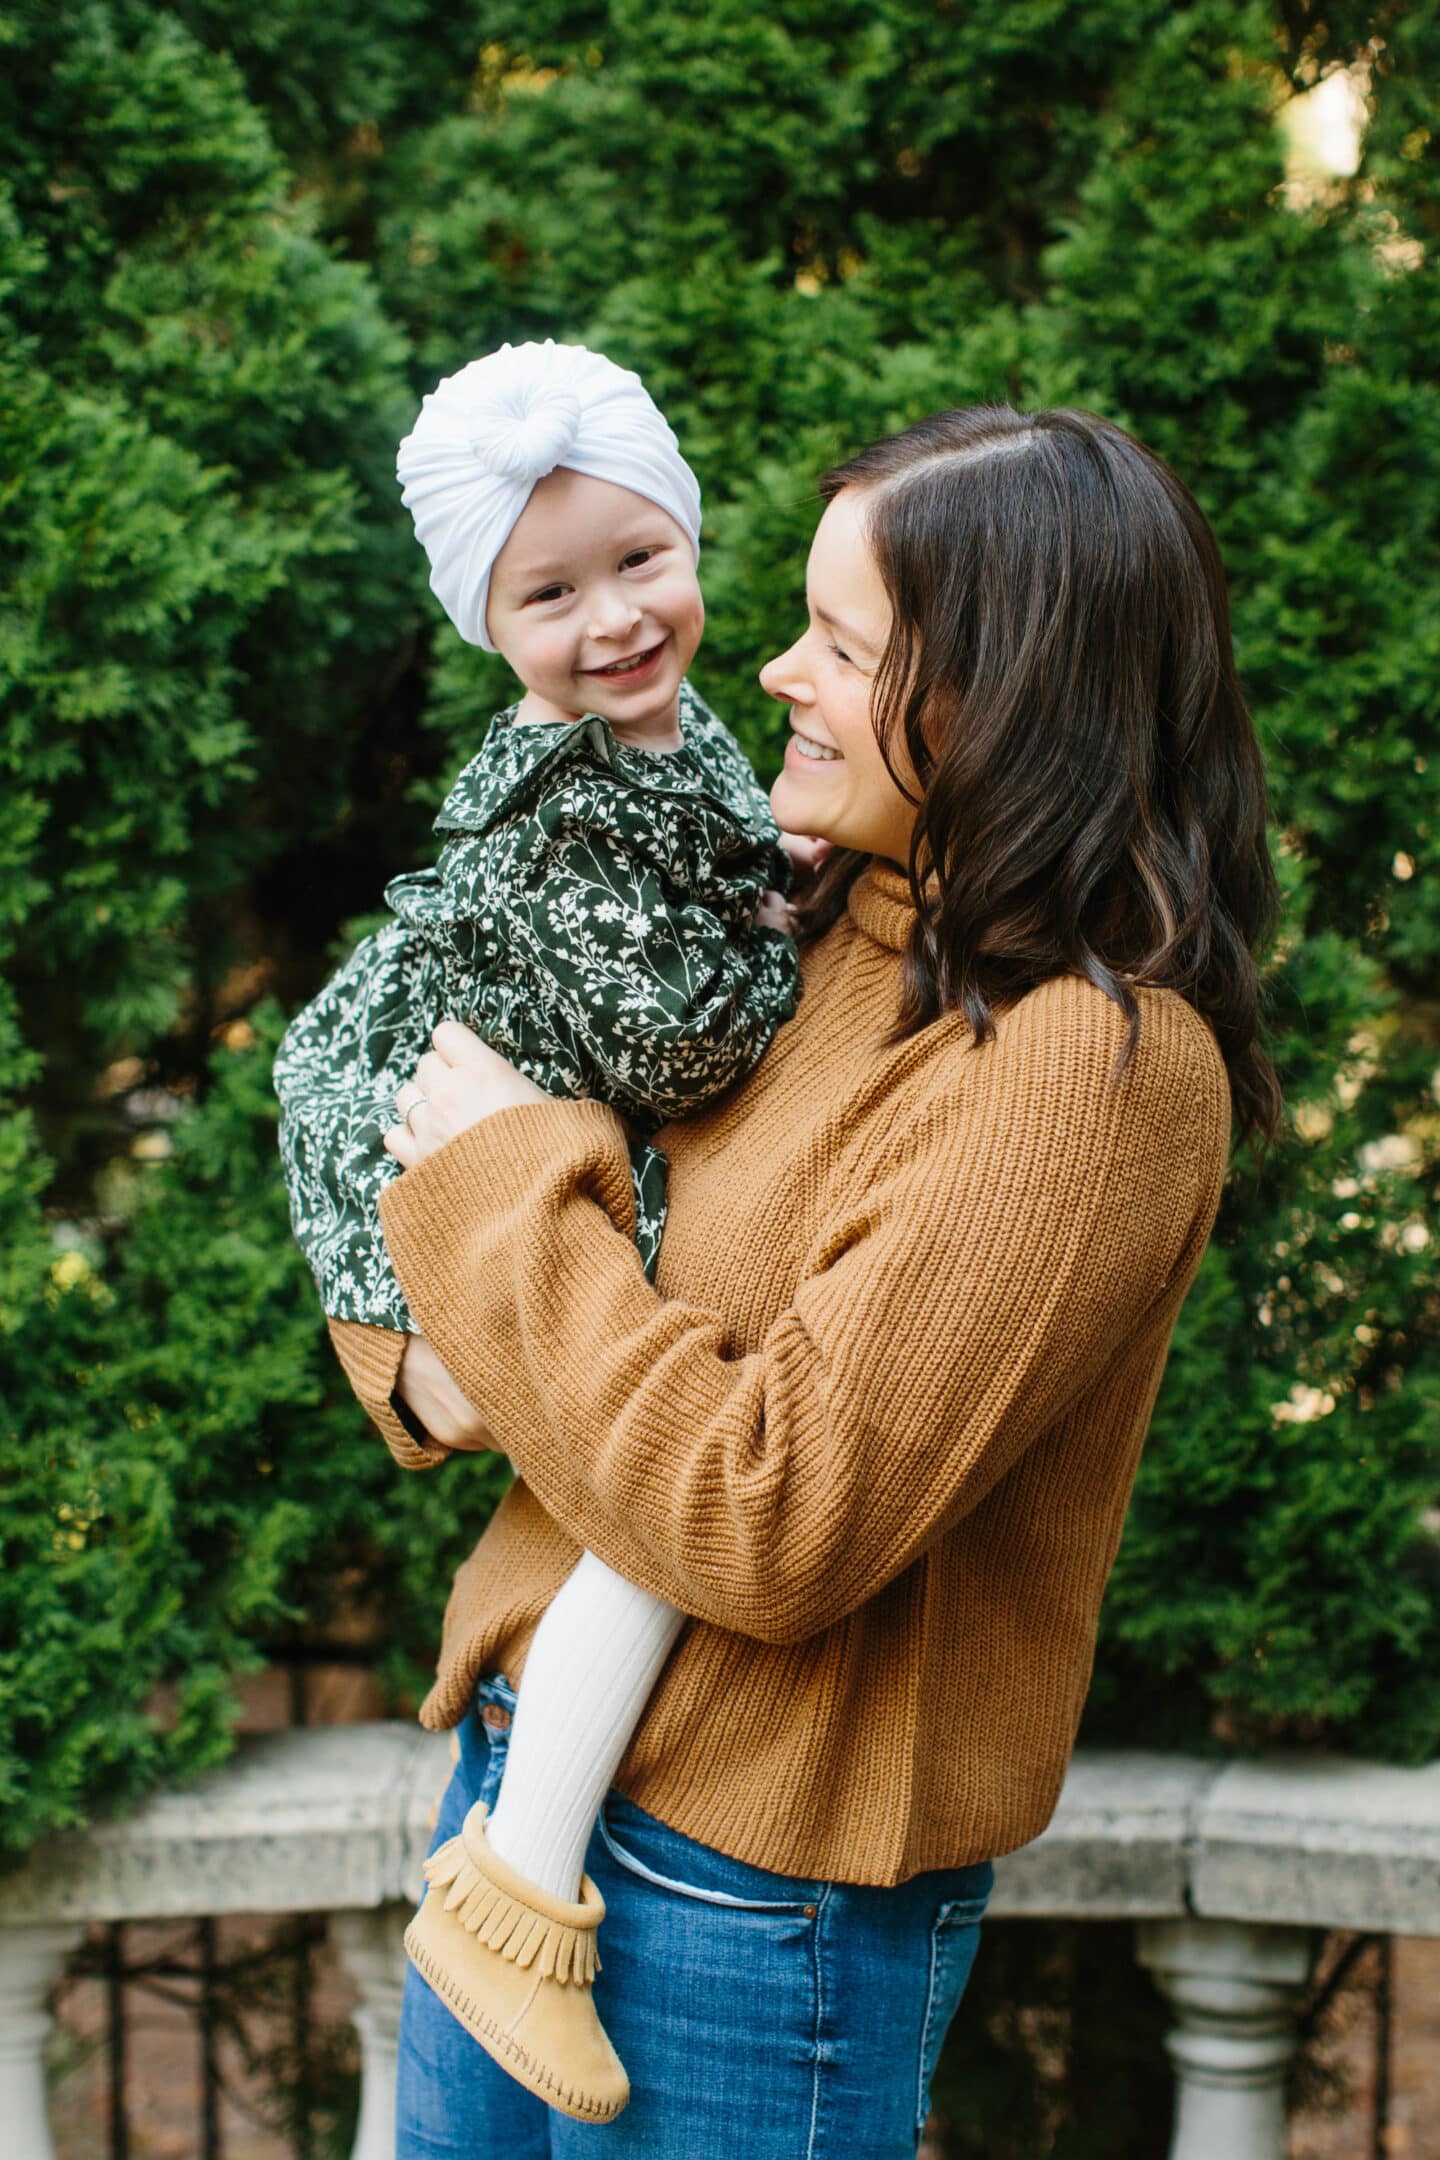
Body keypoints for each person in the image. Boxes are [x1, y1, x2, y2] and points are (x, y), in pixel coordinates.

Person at [349, 404, 1281, 2158]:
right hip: (511, 1777)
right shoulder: (788, 924)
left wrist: (497, 1231)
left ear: (1005, 705)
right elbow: (453, 1121)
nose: (773, 669)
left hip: (747, 1889)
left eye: (845, 648)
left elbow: (766, 1514)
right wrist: (414, 1354)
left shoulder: (1086, 1069)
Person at [272, 340, 802, 2119]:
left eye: (642, 560)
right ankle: (518, 1887)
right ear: (488, 628)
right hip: (420, 1115)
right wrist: (798, 938)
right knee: (664, 1448)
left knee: (660, 1447)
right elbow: (685, 1037)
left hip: (524, 1125)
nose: (617, 619)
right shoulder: (552, 793)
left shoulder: (683, 735)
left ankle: (516, 1871)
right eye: (551, 595)